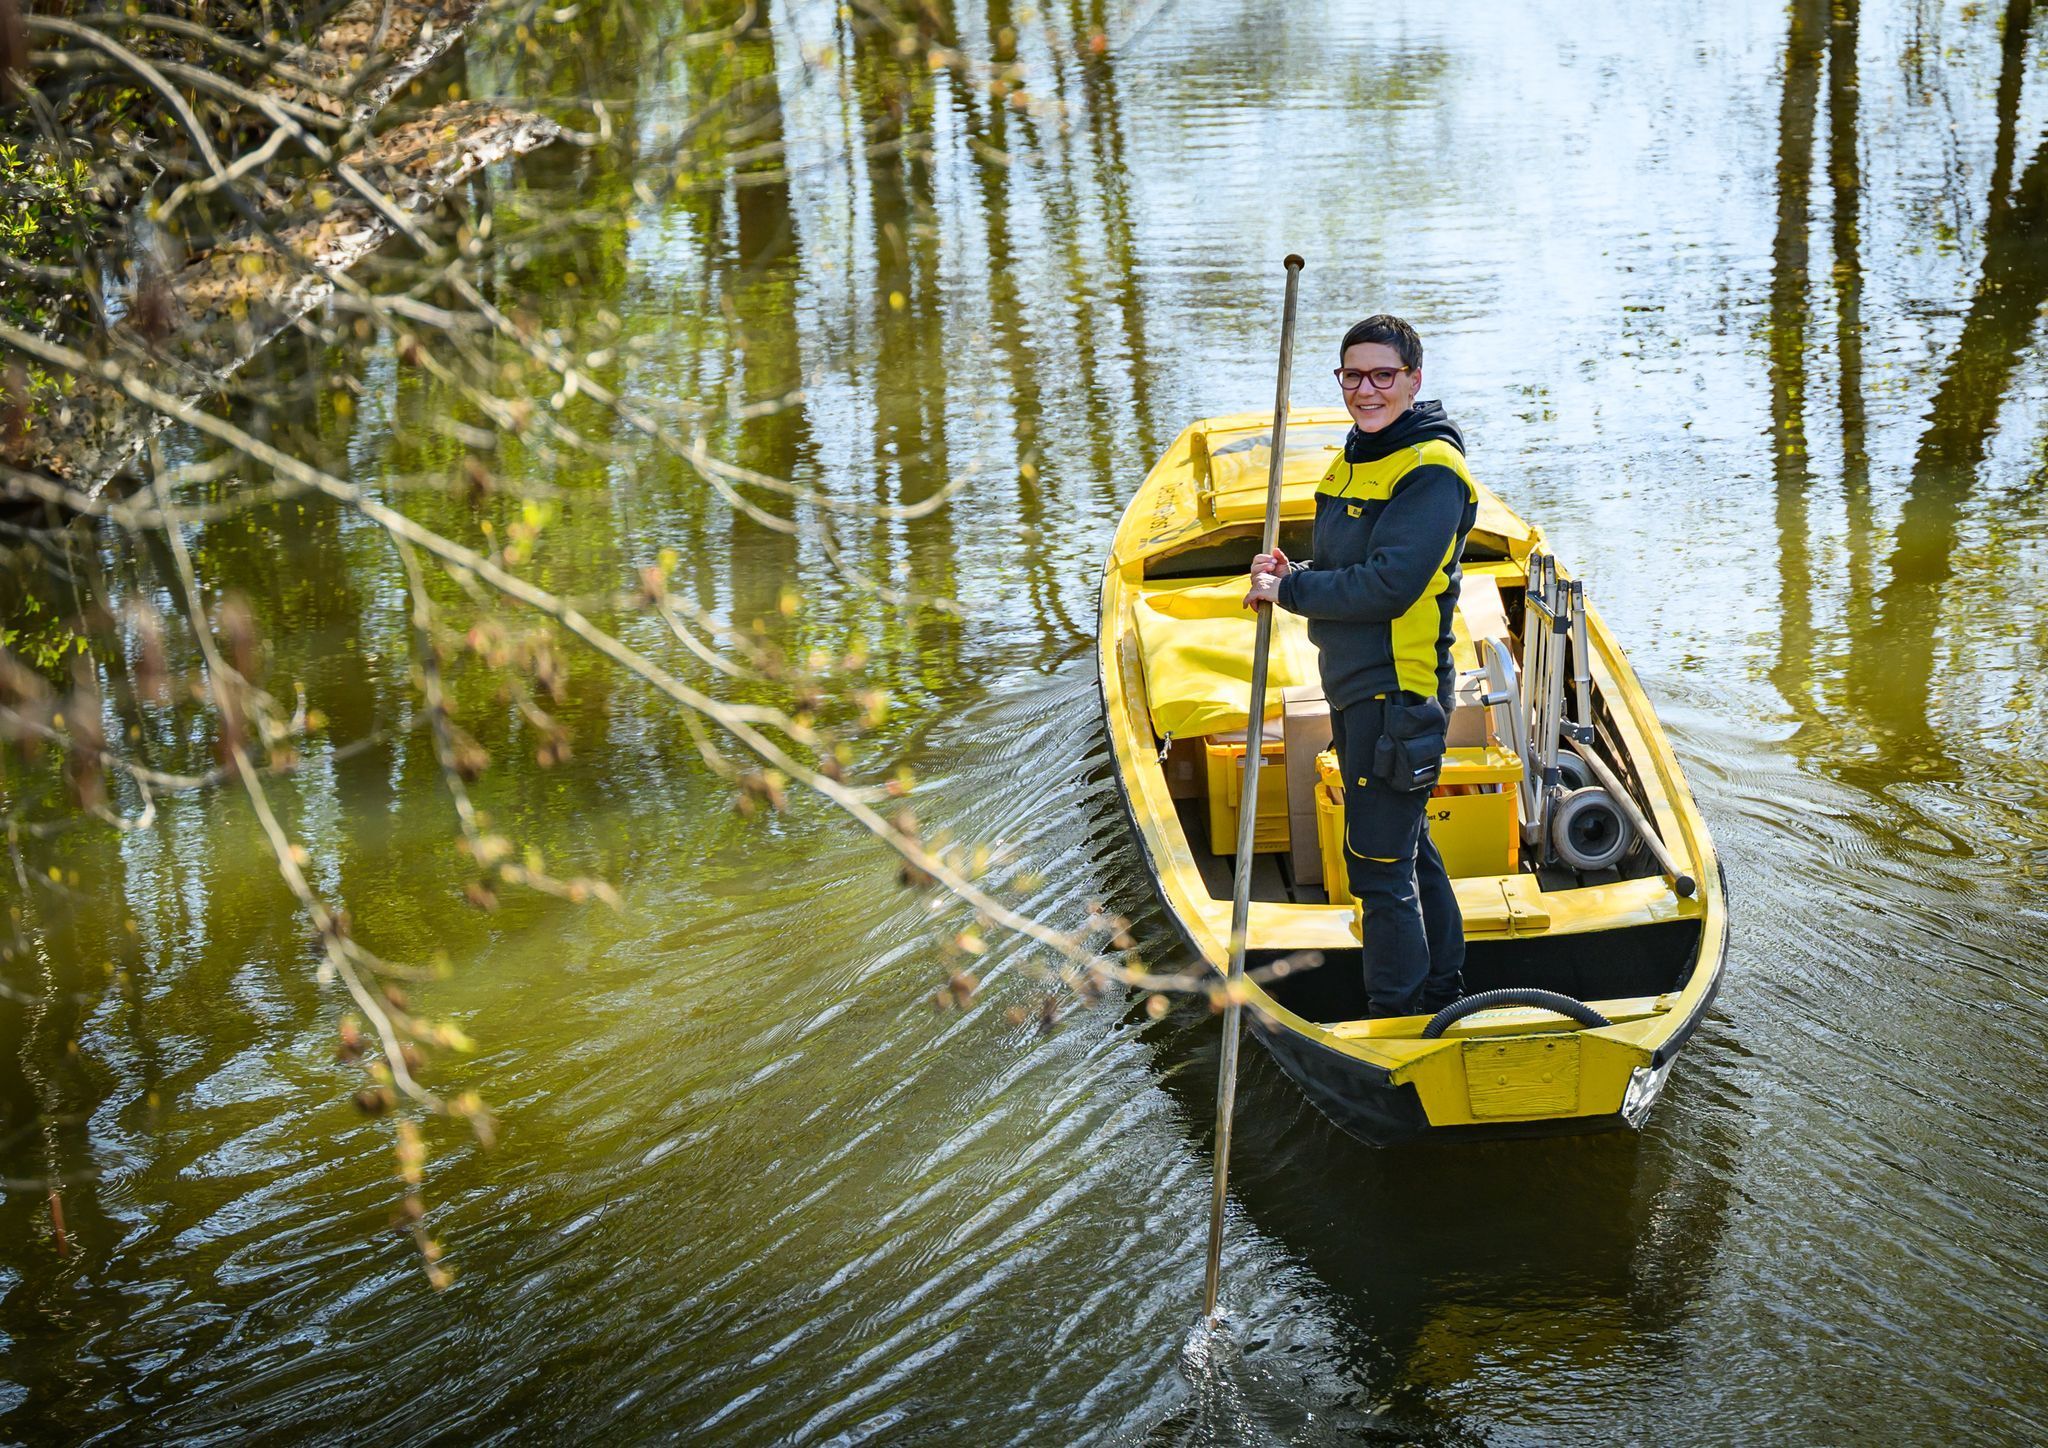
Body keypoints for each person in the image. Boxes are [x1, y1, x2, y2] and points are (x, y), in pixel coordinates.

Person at [1244, 314, 1478, 1018]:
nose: (1366, 389)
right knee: (1409, 850)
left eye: (1383, 375)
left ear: (1414, 378)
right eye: (1353, 375)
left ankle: (1399, 1020)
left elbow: (1388, 585)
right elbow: (1355, 566)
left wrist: (1288, 591)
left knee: (1379, 870)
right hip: (1355, 688)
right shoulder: (1362, 451)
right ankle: (1441, 992)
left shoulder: (1430, 470)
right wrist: (1301, 569)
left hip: (1397, 694)